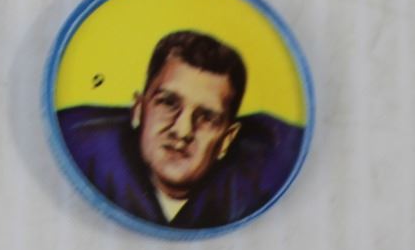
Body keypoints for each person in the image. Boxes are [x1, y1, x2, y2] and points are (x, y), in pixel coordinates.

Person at [56, 29, 304, 230]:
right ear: (139, 109)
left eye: (207, 117)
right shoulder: (80, 145)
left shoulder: (269, 167)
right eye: (168, 103)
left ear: (227, 139)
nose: (183, 131)